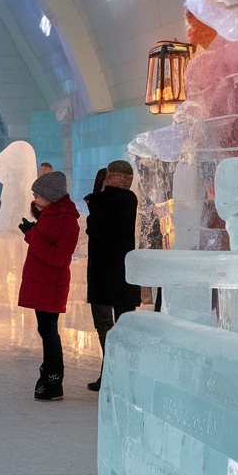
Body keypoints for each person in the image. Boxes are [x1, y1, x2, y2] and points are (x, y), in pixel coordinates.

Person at [19, 170, 80, 401]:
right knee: (46, 330)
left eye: (37, 195)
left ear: (51, 195)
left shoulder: (67, 220)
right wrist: (32, 232)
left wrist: (33, 236)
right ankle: (51, 375)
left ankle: (54, 378)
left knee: (49, 331)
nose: (34, 198)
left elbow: (59, 258)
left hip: (51, 284)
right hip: (42, 282)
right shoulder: (51, 215)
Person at [84, 160, 141, 392]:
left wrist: (97, 195)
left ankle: (111, 373)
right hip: (123, 274)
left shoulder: (110, 201)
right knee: (122, 325)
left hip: (104, 273)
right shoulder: (128, 200)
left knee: (106, 325)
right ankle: (117, 372)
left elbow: (97, 227)